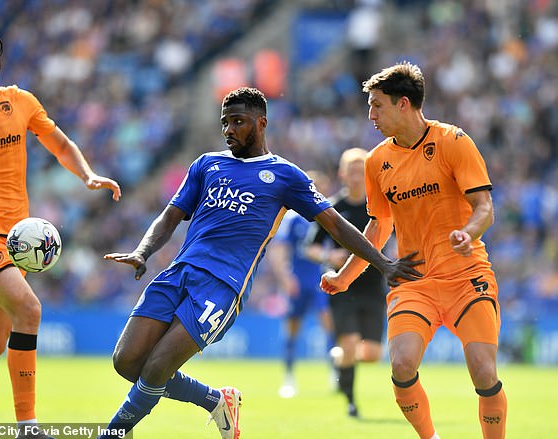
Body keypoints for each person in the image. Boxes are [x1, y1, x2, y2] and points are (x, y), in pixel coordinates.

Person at [98, 86, 422, 439]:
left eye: (238, 121)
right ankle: (216, 400)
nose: (229, 130)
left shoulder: (285, 176)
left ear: (261, 122)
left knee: (159, 366)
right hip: (179, 272)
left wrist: (382, 263)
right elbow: (171, 215)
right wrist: (142, 251)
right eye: (225, 123)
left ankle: (113, 432)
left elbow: (336, 225)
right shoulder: (206, 164)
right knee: (127, 362)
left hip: (223, 287)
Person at [0, 24, 121, 439]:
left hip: (19, 238)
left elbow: (60, 143)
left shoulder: (21, 101)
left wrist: (87, 175)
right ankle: (27, 428)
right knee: (30, 311)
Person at [321, 62, 507, 439]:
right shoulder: (376, 162)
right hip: (414, 281)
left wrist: (468, 233)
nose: (370, 115)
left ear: (403, 104)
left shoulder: (453, 142)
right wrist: (344, 278)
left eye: (377, 106)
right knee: (402, 365)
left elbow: (484, 207)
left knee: (484, 372)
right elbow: (378, 227)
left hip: (466, 277)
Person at [306, 147, 387, 418]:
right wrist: (330, 255)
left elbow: (391, 240)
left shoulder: (380, 208)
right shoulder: (332, 209)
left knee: (374, 353)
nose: (355, 176)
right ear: (342, 173)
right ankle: (351, 403)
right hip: (342, 286)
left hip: (373, 286)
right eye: (351, 170)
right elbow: (310, 248)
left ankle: (339, 357)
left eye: (360, 170)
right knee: (351, 343)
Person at [267, 169, 334, 399]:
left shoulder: (326, 216)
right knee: (293, 329)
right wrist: (285, 278)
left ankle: (334, 374)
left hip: (320, 280)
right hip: (298, 280)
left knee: (329, 325)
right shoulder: (294, 219)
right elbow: (279, 250)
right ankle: (288, 377)